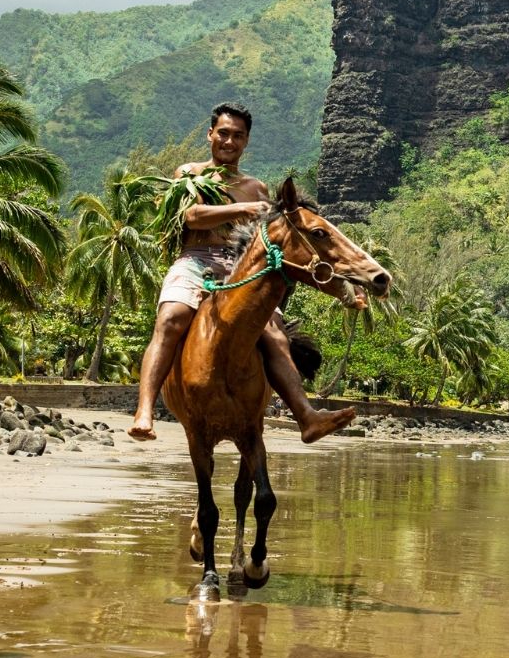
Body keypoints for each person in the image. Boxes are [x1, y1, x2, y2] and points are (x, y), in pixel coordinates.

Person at [127, 104, 358, 445]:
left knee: (275, 333)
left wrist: (340, 284)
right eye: (223, 133)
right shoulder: (189, 174)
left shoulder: (257, 187)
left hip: (240, 270)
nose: (229, 141)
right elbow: (190, 217)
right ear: (210, 134)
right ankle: (144, 410)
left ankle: (306, 416)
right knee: (170, 319)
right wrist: (242, 208)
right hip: (196, 260)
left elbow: (273, 244)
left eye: (238, 136)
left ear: (246, 141)